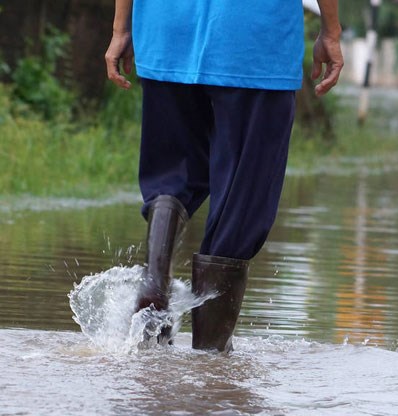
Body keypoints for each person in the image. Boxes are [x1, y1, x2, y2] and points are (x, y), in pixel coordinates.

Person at [105, 0, 343, 352]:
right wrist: (331, 31)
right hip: (254, 37)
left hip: (167, 28)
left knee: (172, 172)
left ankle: (154, 285)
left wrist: (121, 28)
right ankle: (211, 358)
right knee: (243, 195)